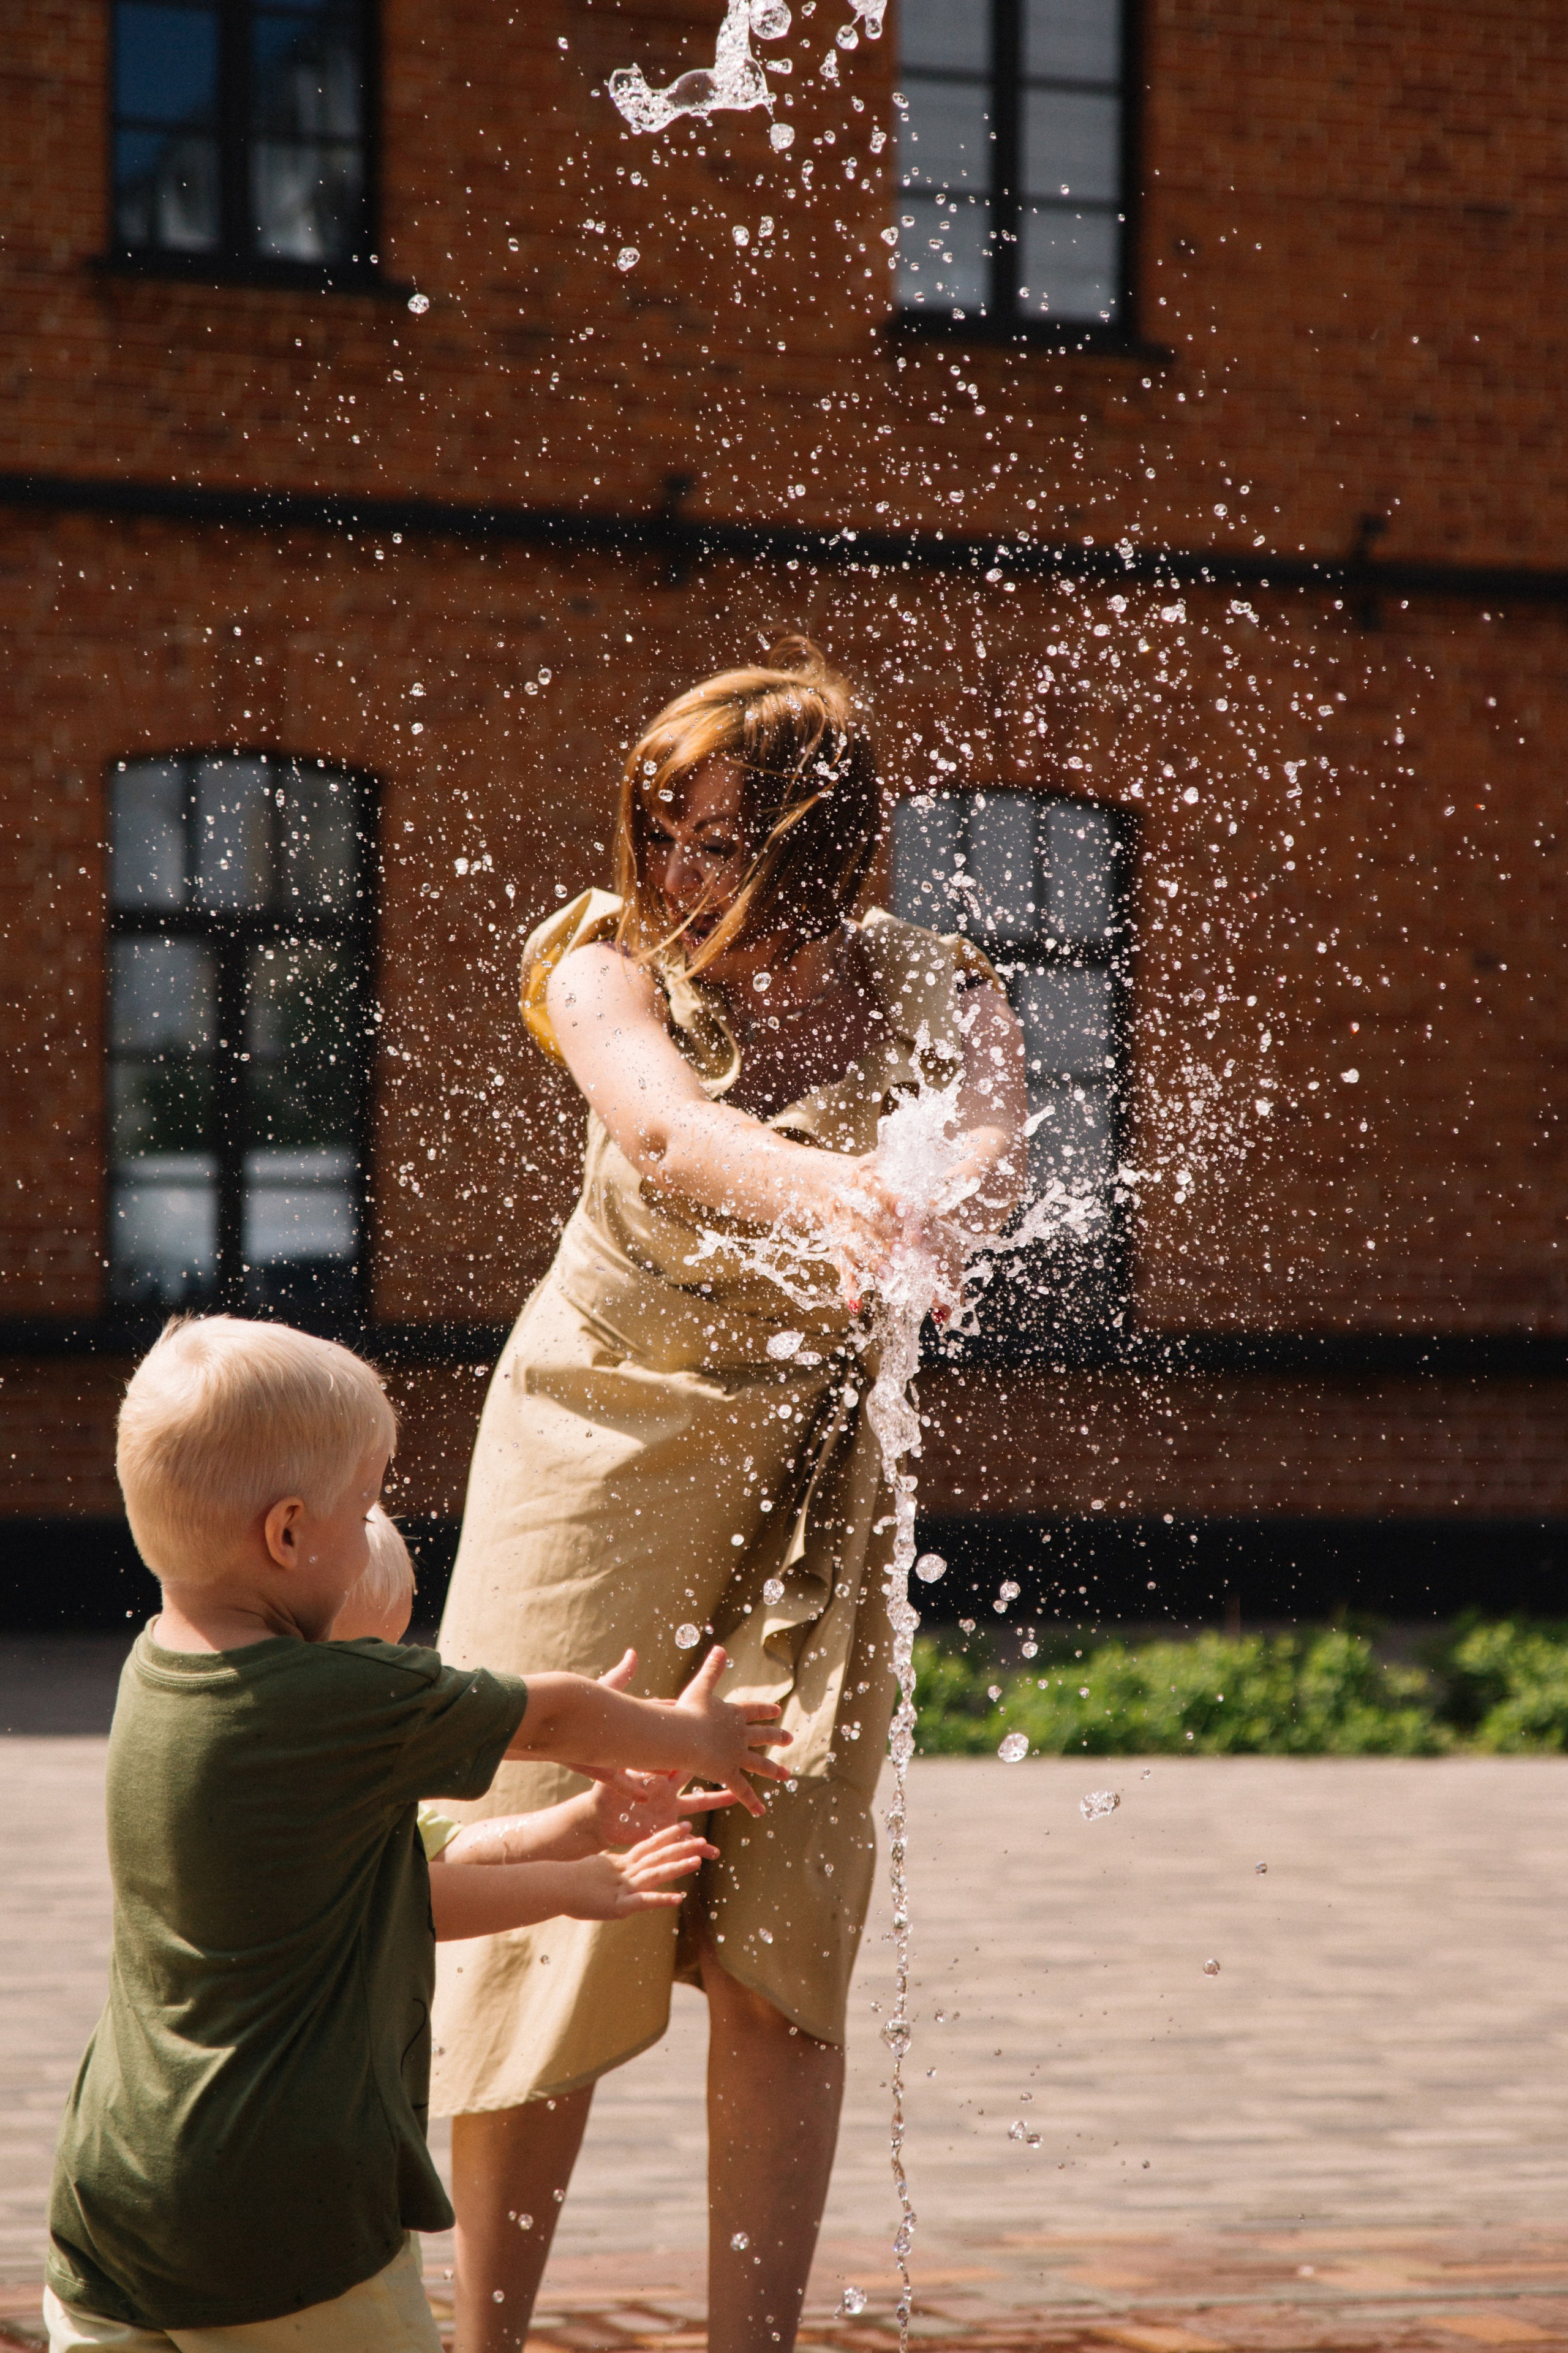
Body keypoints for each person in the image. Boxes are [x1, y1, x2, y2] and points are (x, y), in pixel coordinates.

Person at [433, 639, 1027, 2353]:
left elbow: (987, 1151)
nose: (677, 871)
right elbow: (669, 1136)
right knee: (548, 1895)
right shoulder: (607, 963)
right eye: (662, 829)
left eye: (717, 842)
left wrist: (941, 1217)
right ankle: (480, 2343)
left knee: (784, 1930)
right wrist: (846, 1192)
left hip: (816, 1478)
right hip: (599, 1456)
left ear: (820, 856)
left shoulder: (946, 988)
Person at [44, 1315, 787, 2353]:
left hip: (118, 2204)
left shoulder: (154, 1676)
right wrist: (690, 1734)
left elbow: (408, 1886)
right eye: (368, 1505)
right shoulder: (328, 1699)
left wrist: (577, 1853)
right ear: (291, 1534)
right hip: (290, 2216)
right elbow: (558, 1713)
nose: (378, 1528)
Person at [342, 1508, 727, 1939]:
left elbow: (441, 1857)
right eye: (370, 1667)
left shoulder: (348, 1770)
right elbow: (404, 1900)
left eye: (395, 1655)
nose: (396, 1688)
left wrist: (587, 1823)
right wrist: (568, 1886)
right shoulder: (285, 1781)